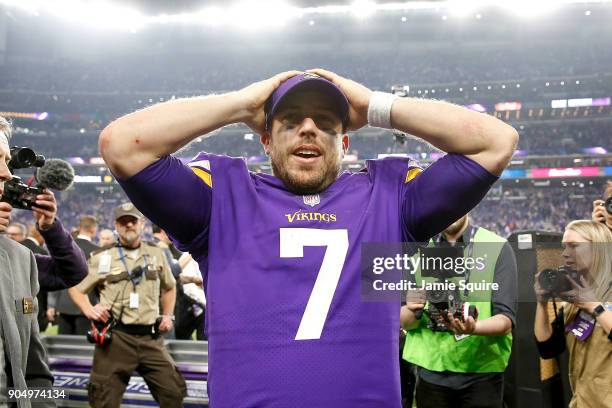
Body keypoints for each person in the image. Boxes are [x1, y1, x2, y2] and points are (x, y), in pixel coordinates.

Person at [99, 70, 518, 406]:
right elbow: (122, 145)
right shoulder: (220, 197)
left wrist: (375, 105)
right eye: (290, 120)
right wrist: (242, 104)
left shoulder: (388, 197)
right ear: (265, 138)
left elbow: (496, 143)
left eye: (326, 123)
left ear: (345, 141)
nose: (308, 129)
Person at [68, 203, 186, 408]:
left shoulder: (156, 253)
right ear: (116, 225)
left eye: (133, 220)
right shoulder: (101, 256)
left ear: (142, 224)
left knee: (173, 392)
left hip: (151, 338)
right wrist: (88, 309)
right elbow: (76, 288)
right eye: (123, 221)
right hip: (116, 339)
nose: (129, 225)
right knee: (104, 401)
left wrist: (168, 316)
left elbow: (169, 287)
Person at [401, 214, 518, 408]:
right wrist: (413, 309)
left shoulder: (497, 247)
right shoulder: (416, 250)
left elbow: (506, 319)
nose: (450, 209)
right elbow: (404, 321)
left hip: (482, 375)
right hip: (430, 374)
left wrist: (474, 327)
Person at [0, 115, 56, 407]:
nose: (7, 174)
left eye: (6, 161)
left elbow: (35, 371)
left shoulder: (22, 258)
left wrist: (52, 229)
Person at [534, 220, 612, 408]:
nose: (565, 254)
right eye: (564, 247)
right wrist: (541, 303)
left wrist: (595, 307)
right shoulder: (574, 301)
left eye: (574, 246)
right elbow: (547, 348)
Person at [48, 215, 100, 335]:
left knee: (63, 348)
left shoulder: (63, 248)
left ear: (80, 227)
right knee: (81, 348)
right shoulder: (97, 251)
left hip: (63, 305)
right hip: (87, 307)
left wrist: (52, 305)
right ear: (93, 230)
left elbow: (55, 277)